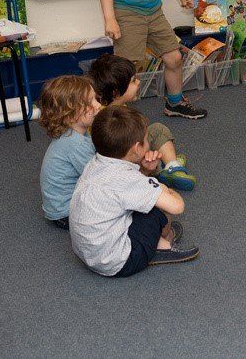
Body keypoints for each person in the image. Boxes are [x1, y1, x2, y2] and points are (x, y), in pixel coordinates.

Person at [69, 106, 199, 277]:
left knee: (143, 200)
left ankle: (152, 241)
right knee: (158, 209)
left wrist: (144, 171)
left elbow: (125, 191)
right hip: (118, 263)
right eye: (146, 139)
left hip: (89, 253)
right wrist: (162, 186)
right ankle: (163, 245)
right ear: (137, 148)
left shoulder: (95, 163)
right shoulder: (127, 178)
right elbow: (177, 207)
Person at [88, 53, 197, 191]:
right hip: (122, 162)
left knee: (157, 129)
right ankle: (167, 167)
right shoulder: (106, 119)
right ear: (116, 93)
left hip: (131, 153)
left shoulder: (116, 108)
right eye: (133, 81)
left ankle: (171, 166)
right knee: (153, 136)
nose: (138, 82)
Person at [38, 76, 102, 230]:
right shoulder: (75, 143)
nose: (98, 105)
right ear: (70, 114)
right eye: (90, 102)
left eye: (95, 98)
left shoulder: (76, 133)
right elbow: (99, 178)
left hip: (60, 207)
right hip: (65, 213)